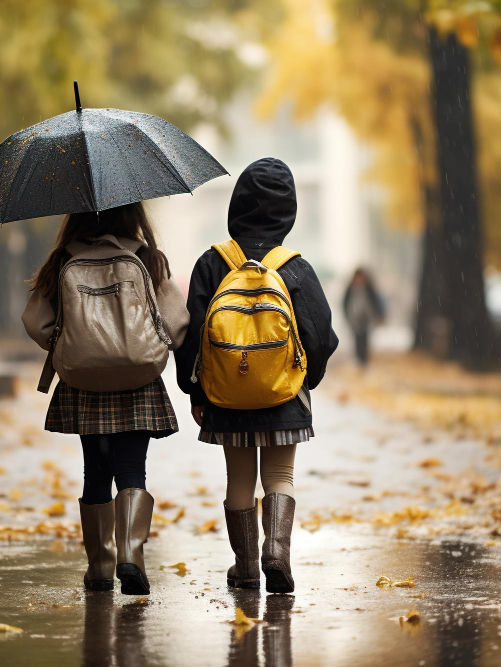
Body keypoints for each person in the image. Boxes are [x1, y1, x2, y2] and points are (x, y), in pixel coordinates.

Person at [175, 158, 338, 594]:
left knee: (239, 480)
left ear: (236, 205)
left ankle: (246, 567)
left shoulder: (213, 264)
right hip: (284, 395)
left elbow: (191, 334)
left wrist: (193, 389)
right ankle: (277, 554)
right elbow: (320, 334)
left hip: (227, 396)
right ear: (289, 212)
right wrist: (306, 380)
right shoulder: (295, 267)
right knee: (280, 478)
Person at [23, 204, 189, 595]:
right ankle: (131, 555)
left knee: (95, 471)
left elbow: (35, 321)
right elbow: (176, 321)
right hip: (138, 381)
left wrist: (68, 343)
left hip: (84, 383)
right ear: (132, 213)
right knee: (133, 469)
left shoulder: (63, 259)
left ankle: (99, 567)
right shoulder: (148, 258)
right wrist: (152, 343)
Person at [342, 267, 386, 367]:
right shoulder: (350, 289)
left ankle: (364, 360)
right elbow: (345, 303)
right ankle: (358, 359)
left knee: (365, 338)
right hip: (354, 318)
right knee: (357, 338)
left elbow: (375, 302)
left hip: (366, 318)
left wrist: (379, 315)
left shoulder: (369, 289)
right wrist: (348, 317)